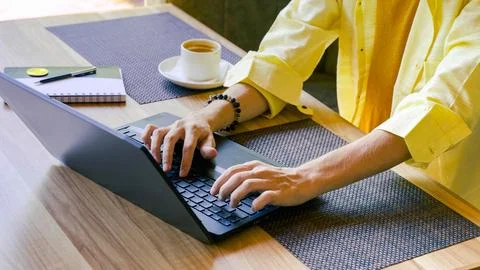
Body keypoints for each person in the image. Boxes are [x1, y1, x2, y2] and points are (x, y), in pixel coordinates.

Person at [143, 0, 480, 210]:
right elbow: (285, 53)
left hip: (447, 196)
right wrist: (209, 116)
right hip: (352, 157)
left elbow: (440, 107)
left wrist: (304, 177)